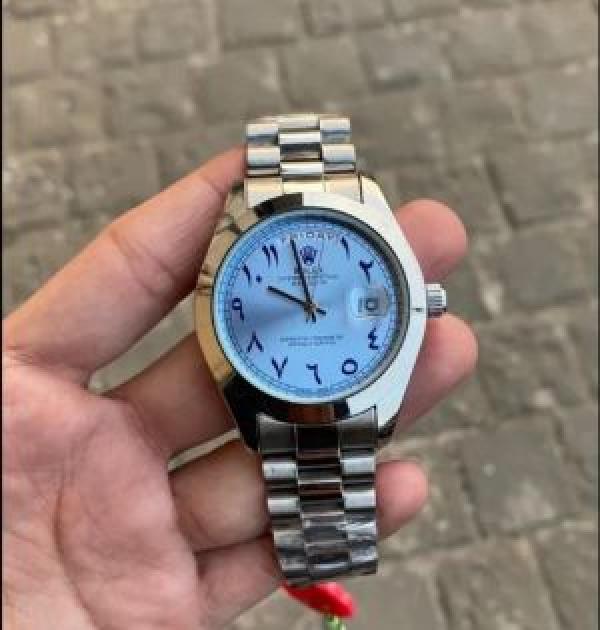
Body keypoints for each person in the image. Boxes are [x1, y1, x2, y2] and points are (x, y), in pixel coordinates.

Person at [3, 148, 477, 629]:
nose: (311, 311)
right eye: (304, 305)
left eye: (313, 308)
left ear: (422, 302)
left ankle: (324, 555)